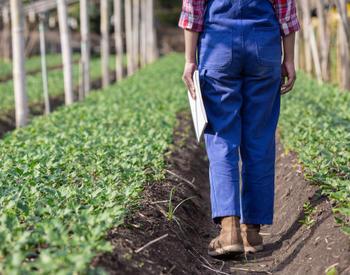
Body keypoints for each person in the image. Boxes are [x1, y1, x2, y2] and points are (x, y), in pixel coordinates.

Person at [178, 0, 300, 257]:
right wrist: (289, 57)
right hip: (264, 46)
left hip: (218, 45)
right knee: (259, 138)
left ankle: (229, 230)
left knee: (222, 136)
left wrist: (190, 59)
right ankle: (252, 233)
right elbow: (286, 9)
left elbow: (193, 9)